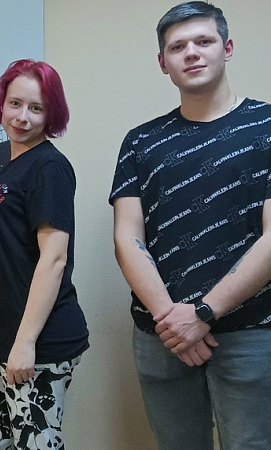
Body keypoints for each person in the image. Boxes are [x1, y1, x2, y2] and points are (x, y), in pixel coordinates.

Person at [109, 2, 271, 449]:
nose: (192, 53)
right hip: (160, 335)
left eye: (204, 41)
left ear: (227, 48)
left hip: (250, 332)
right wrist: (173, 322)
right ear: (164, 63)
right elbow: (127, 237)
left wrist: (203, 313)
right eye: (178, 47)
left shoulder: (267, 127)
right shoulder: (140, 142)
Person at [0, 59, 89, 450]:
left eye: (36, 108)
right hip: (8, 338)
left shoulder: (49, 166)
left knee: (34, 444)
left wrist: (24, 342)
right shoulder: (13, 167)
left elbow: (54, 259)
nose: (22, 116)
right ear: (1, 104)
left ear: (51, 114)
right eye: (15, 104)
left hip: (41, 341)